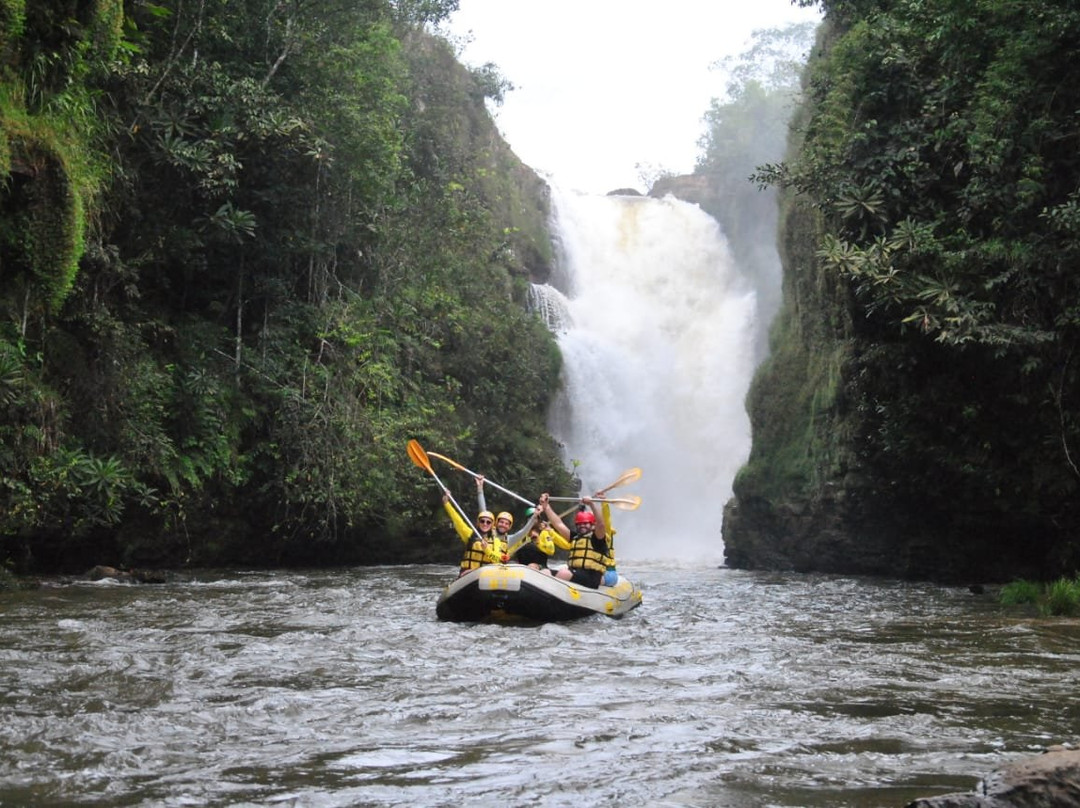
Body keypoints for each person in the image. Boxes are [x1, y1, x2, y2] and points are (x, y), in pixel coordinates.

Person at [536, 493, 610, 588]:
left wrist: (592, 504)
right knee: (545, 572)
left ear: (592, 525)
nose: (582, 525)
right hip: (574, 573)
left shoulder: (598, 538)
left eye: (586, 523)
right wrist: (546, 507)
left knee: (564, 573)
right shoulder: (575, 537)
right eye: (579, 524)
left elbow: (601, 524)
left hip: (591, 577)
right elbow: (558, 524)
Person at [507, 508, 573, 573]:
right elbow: (511, 549)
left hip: (540, 566)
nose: (532, 521)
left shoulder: (544, 533)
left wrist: (538, 542)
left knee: (531, 566)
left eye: (535, 518)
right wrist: (506, 555)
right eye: (530, 519)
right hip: (522, 565)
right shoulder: (522, 534)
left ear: (539, 520)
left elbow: (551, 551)